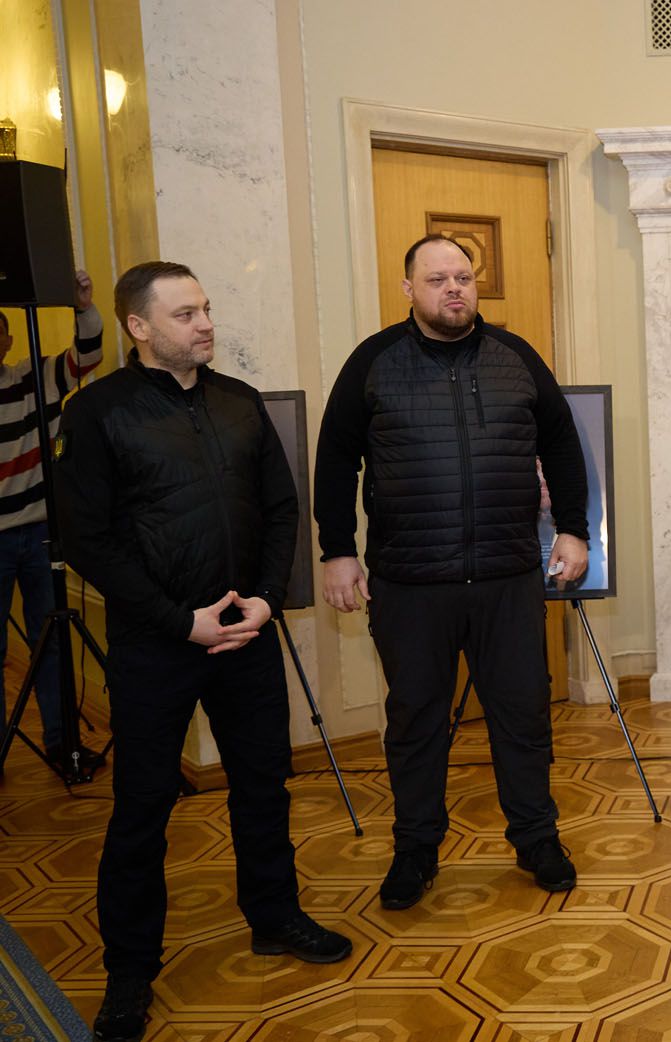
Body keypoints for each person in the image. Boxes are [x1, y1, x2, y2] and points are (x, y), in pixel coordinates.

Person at [55, 262, 351, 1042]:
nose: (206, 324)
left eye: (207, 309)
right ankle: (129, 969)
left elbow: (282, 508)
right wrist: (177, 620)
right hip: (159, 644)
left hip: (246, 632)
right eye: (186, 314)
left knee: (264, 784)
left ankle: (274, 916)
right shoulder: (98, 414)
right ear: (139, 328)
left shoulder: (240, 402)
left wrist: (261, 595)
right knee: (143, 808)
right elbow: (88, 537)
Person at [314, 234, 589, 909]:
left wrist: (575, 529)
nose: (453, 289)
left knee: (523, 716)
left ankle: (535, 838)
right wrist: (338, 548)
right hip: (411, 585)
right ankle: (415, 852)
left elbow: (560, 442)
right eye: (437, 279)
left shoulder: (516, 358)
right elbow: (333, 458)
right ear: (408, 288)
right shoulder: (372, 362)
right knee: (416, 723)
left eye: (463, 276)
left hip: (506, 577)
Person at [0, 272, 104, 768]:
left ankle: (64, 746)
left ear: (8, 338)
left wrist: (83, 306)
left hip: (41, 533)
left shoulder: (29, 378)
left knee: (52, 644)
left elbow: (85, 357)